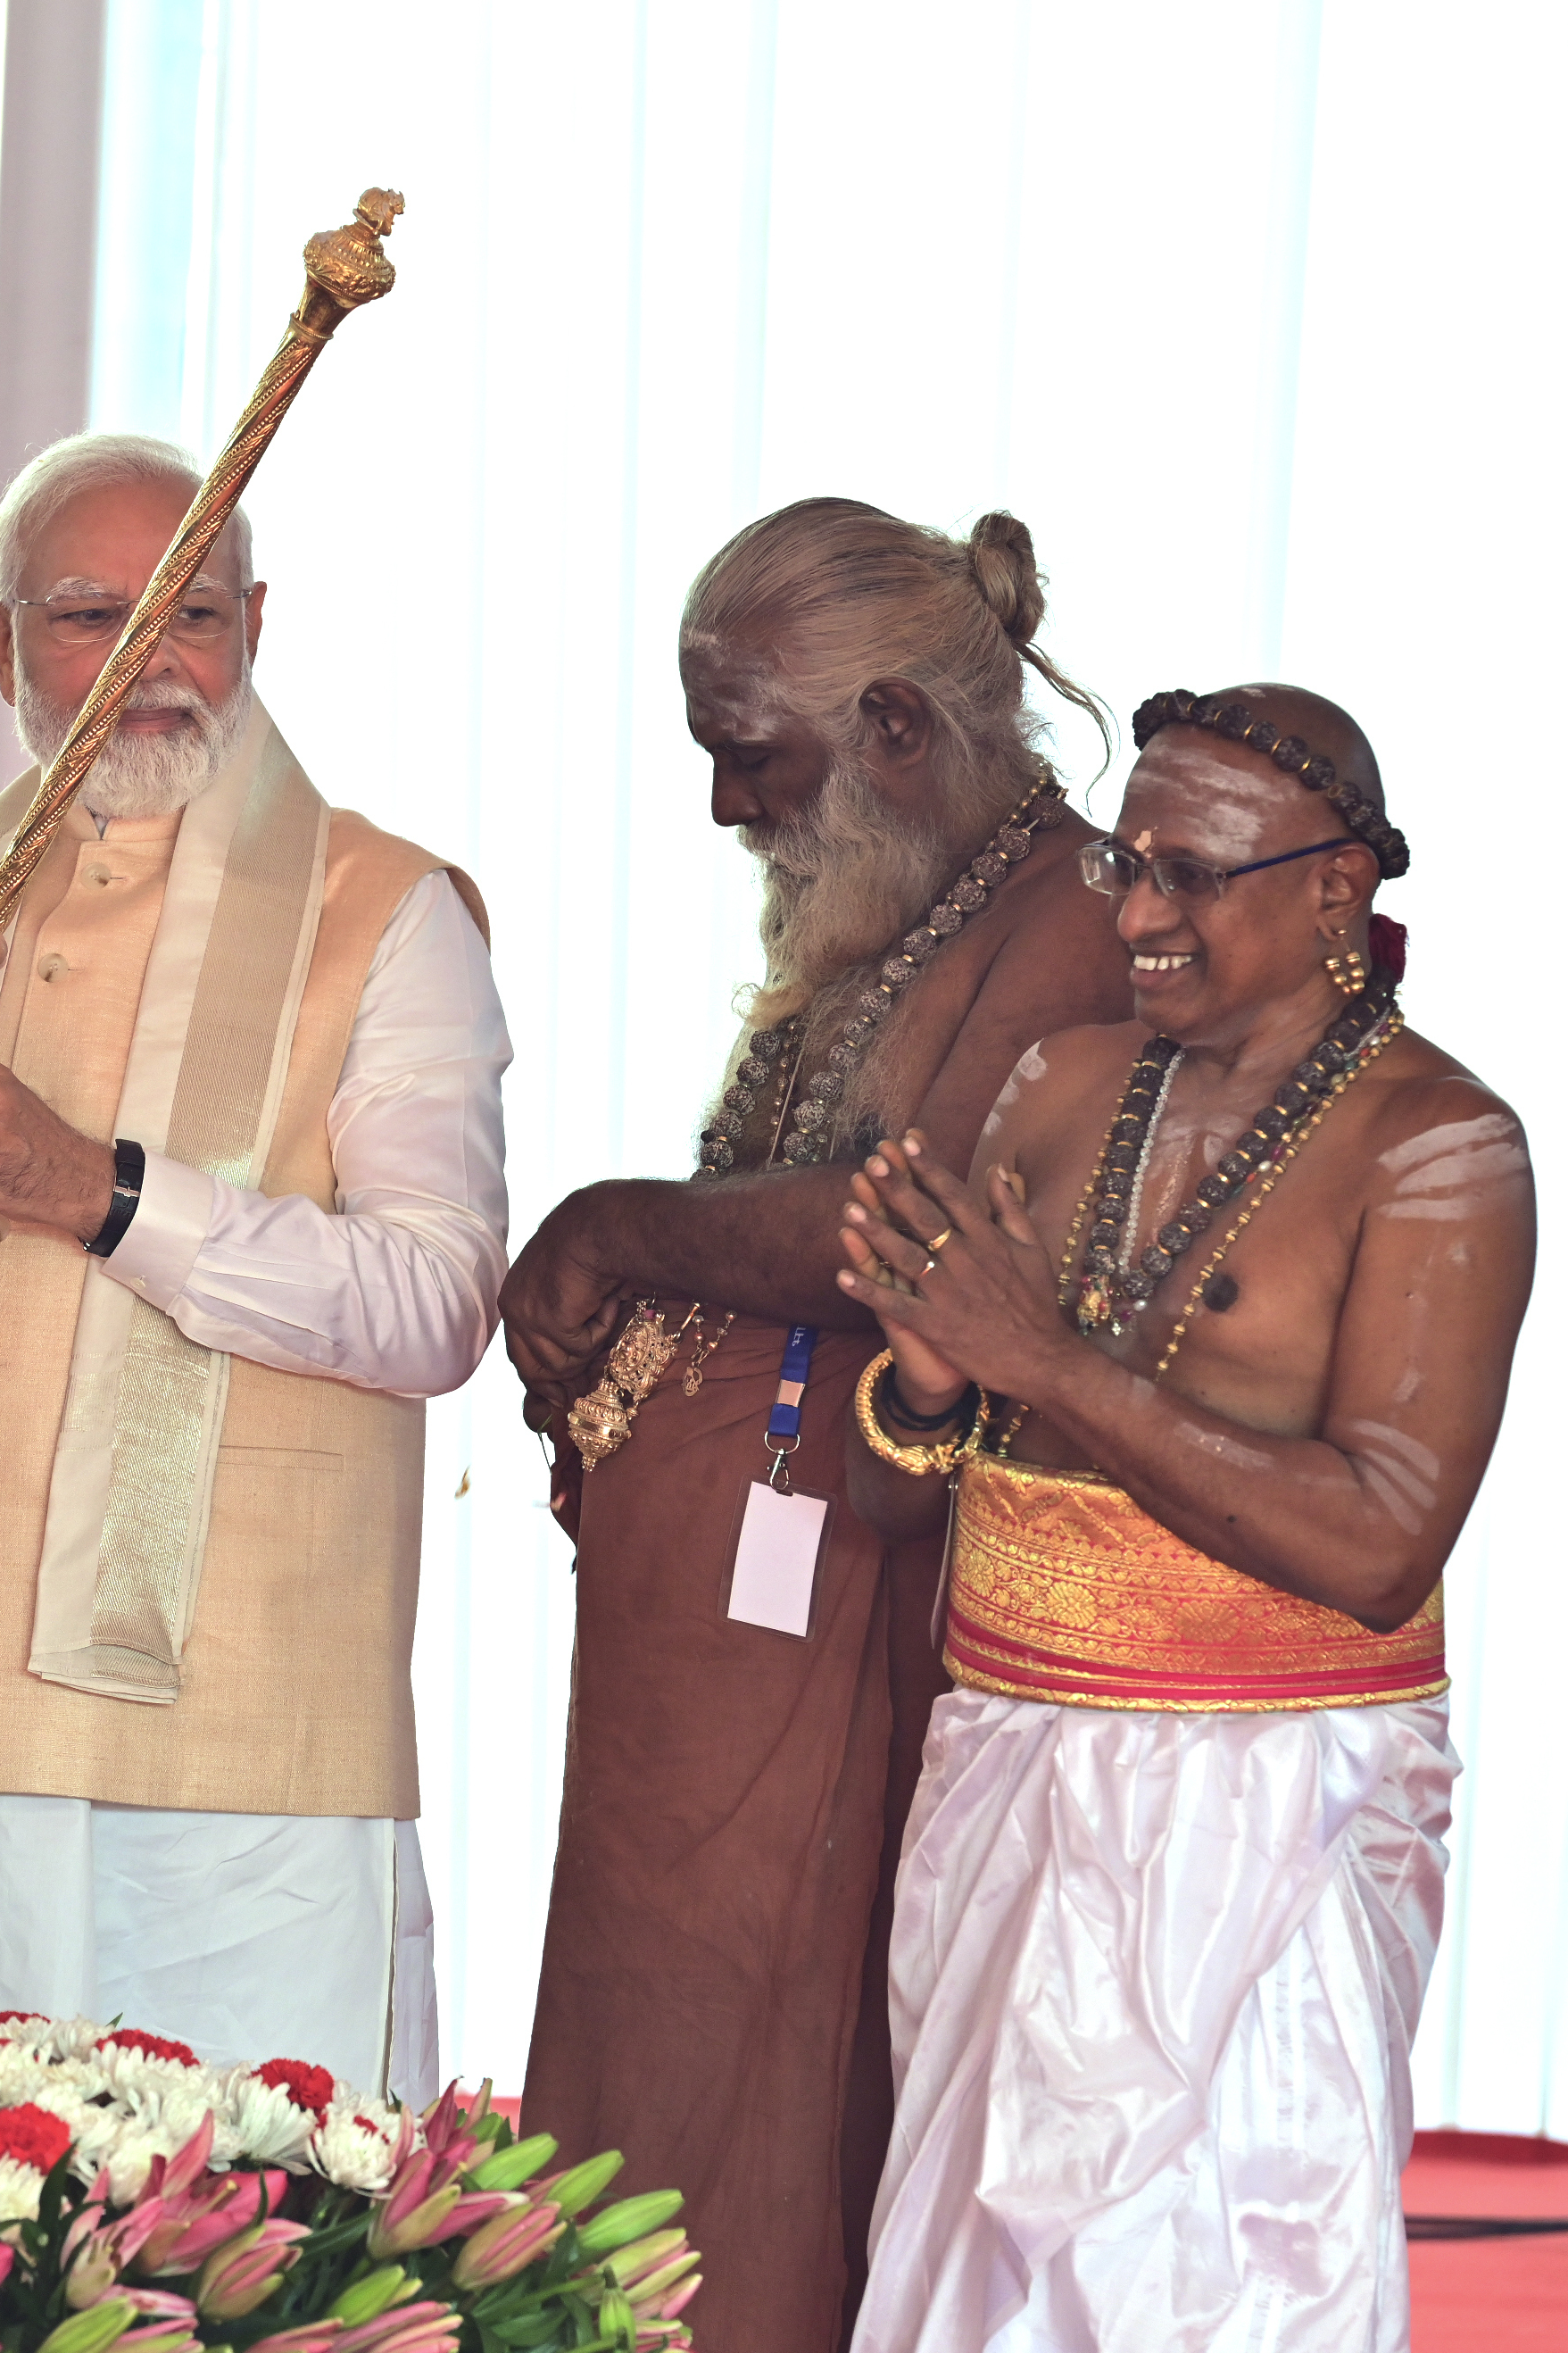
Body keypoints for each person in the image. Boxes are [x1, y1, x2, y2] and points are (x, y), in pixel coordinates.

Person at [0, 430, 510, 2088]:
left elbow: (437, 1306)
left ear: (257, 627)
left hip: (246, 1751)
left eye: (197, 617)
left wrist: (99, 1190)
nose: (154, 665)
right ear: (1, 645)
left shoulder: (391, 909)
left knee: (259, 2269)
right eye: (95, 616)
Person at [504, 499, 1129, 2350]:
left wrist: (612, 1229)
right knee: (653, 2037)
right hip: (710, 1606)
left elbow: (895, 1224)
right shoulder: (901, 893)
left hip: (875, 1584)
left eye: (749, 761)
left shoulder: (1072, 919)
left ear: (901, 734)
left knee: (776, 2063)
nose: (726, 814)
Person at [835, 686, 1522, 2349]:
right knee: (971, 2285)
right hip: (1004, 1755)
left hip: (1261, 1806)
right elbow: (910, 1478)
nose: (1136, 915)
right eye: (1123, 867)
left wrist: (1043, 1365)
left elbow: (1378, 1549)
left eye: (1190, 875)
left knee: (1213, 2291)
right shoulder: (1055, 1086)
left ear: (1333, 891)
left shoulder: (1439, 1148)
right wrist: (930, 1389)